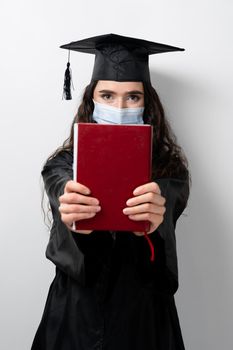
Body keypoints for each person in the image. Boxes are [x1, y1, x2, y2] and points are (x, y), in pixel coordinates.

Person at [31, 34, 191, 350]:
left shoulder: (170, 171)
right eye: (107, 95)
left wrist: (155, 216)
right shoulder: (61, 165)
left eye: (133, 96)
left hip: (143, 317)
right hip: (75, 314)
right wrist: (76, 212)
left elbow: (168, 208)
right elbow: (60, 186)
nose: (119, 107)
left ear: (148, 104)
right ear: (91, 101)